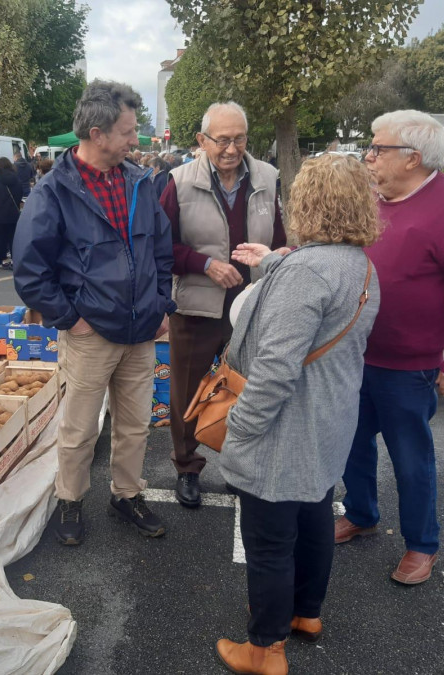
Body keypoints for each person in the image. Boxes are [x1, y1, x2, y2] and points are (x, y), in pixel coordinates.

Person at [214, 154, 381, 675]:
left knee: (268, 541)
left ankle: (265, 650)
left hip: (286, 428)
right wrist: (273, 264)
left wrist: (238, 429)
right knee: (313, 518)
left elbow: (275, 371)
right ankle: (306, 613)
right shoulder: (359, 263)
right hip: (329, 419)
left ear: (307, 203)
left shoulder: (308, 269)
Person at [13, 80, 175, 545]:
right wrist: (71, 319)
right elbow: (30, 272)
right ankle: (70, 499)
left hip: (141, 330)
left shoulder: (139, 183)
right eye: (128, 131)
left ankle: (126, 495)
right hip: (89, 334)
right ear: (98, 133)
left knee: (135, 424)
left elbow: (160, 251)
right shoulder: (53, 192)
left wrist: (162, 303)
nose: (136, 140)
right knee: (79, 427)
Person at [337, 110, 444, 585]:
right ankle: (362, 515)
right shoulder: (373, 198)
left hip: (410, 365)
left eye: (376, 148)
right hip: (354, 352)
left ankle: (421, 544)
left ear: (411, 157)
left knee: (411, 457)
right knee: (350, 443)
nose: (369, 156)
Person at [160, 101, 287, 508]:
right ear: (202, 141)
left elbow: (282, 238)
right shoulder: (177, 181)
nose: (232, 149)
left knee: (247, 391)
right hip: (197, 307)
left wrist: (274, 255)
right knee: (186, 390)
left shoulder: (268, 177)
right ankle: (186, 466)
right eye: (222, 140)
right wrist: (204, 264)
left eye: (239, 139)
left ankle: (239, 465)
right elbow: (161, 247)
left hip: (252, 307)